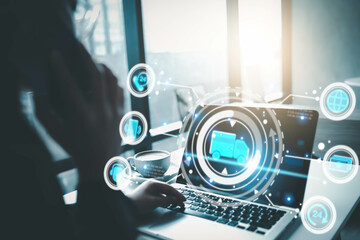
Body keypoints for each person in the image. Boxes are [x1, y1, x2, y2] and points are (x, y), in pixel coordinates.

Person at [2, 0, 185, 239]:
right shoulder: (14, 151)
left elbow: (36, 224)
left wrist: (125, 205)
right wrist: (95, 170)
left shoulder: (12, 123)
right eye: (71, 7)